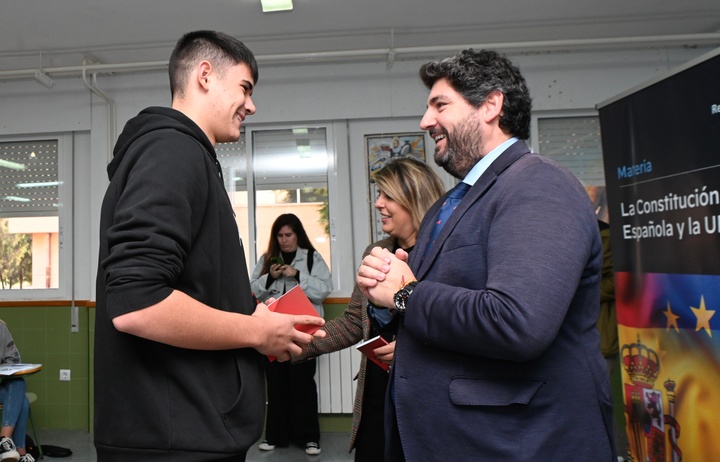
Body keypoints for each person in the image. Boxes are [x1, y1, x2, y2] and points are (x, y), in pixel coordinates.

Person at [357, 49, 616, 461]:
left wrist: (405, 294)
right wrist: (384, 290)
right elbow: (426, 300)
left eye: (440, 105)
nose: (426, 122)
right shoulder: (450, 204)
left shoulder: (539, 185)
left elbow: (517, 322)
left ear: (491, 105)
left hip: (518, 442)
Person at [94, 31, 325, 461]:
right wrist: (256, 331)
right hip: (174, 440)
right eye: (245, 88)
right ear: (204, 76)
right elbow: (136, 303)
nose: (251, 104)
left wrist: (250, 312)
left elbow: (187, 284)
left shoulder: (187, 155)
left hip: (187, 430)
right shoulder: (172, 151)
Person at [295, 158, 445, 461]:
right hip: (377, 395)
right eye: (378, 195)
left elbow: (463, 326)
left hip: (426, 402)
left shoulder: (446, 256)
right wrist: (296, 340)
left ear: (414, 198)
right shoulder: (377, 253)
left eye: (387, 196)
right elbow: (353, 323)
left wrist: (412, 349)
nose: (378, 204)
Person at [250, 213, 333, 456]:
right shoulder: (267, 259)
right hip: (273, 331)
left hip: (303, 333)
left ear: (298, 235)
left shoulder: (311, 258)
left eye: (289, 235)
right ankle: (275, 436)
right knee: (275, 385)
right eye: (280, 235)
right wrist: (270, 277)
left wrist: (297, 275)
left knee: (303, 384)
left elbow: (324, 289)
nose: (284, 240)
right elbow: (251, 289)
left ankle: (309, 439)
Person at [0, 321, 34, 462]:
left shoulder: (1, 327)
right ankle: (20, 452)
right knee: (23, 401)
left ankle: (4, 441)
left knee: (18, 383)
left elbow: (13, 359)